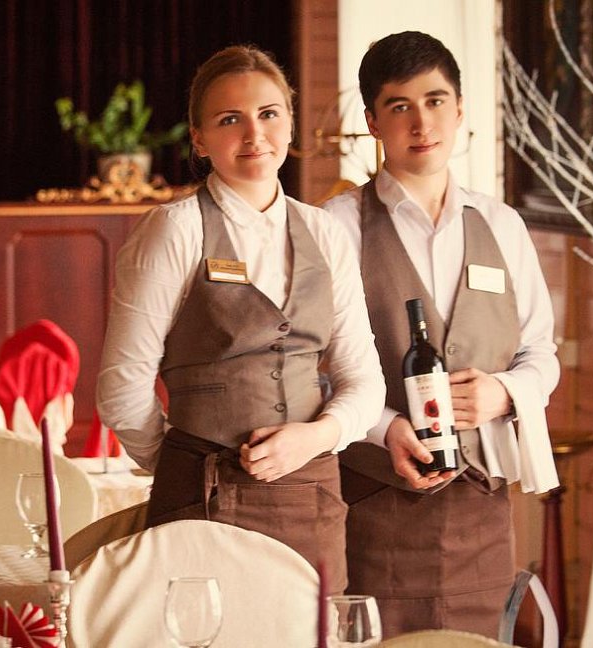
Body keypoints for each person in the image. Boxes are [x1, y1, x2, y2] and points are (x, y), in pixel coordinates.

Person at [97, 45, 385, 591]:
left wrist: (316, 437)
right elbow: (122, 388)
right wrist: (183, 463)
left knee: (312, 629)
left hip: (312, 499)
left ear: (290, 124)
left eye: (268, 114)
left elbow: (363, 380)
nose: (254, 134)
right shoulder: (174, 230)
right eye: (230, 119)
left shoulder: (326, 233)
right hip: (201, 500)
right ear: (199, 138)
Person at [325, 31, 560, 638]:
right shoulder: (336, 227)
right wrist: (384, 428)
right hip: (372, 505)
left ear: (459, 110)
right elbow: (312, 369)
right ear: (373, 122)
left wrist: (503, 393)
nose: (421, 122)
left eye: (435, 101)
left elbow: (540, 352)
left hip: (482, 515)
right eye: (399, 106)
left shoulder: (502, 224)